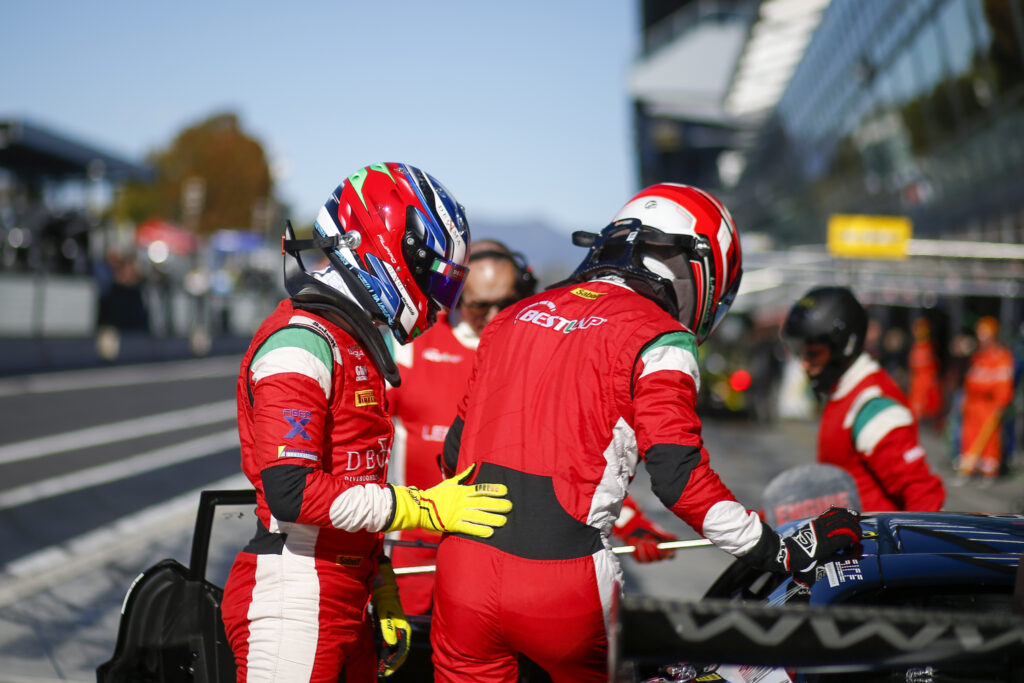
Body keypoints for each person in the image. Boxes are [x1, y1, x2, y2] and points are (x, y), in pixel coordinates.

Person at [430, 183, 862, 682]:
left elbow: (453, 454)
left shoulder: (510, 317)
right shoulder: (661, 337)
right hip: (562, 582)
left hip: (462, 572)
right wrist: (779, 550)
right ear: (699, 269)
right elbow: (680, 480)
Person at [219, 162, 512, 682]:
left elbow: (354, 480)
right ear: (388, 251)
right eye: (434, 277)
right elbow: (292, 492)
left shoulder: (351, 337)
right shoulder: (300, 342)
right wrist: (423, 508)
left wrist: (380, 580)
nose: (437, 300)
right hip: (295, 599)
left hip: (345, 590)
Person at [388, 240, 677, 616]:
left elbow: (572, 456)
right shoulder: (410, 346)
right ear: (456, 299)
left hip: (493, 563)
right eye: (479, 306)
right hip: (411, 561)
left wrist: (629, 521)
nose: (494, 316)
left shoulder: (543, 349)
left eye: (507, 303)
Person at [781, 286, 945, 512]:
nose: (805, 365)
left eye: (814, 354)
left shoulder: (872, 407)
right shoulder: (844, 391)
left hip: (870, 534)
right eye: (800, 352)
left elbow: (924, 493)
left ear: (844, 347)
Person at [956, 315, 1014, 484]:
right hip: (973, 404)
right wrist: (965, 398)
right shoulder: (978, 356)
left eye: (985, 335)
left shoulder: (1001, 356)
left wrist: (1002, 401)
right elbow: (970, 380)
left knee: (989, 439)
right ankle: (968, 469)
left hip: (989, 404)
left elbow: (1003, 382)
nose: (982, 339)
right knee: (969, 436)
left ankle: (988, 472)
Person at [907, 315, 943, 426]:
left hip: (926, 395)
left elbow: (930, 377)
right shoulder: (916, 347)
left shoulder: (930, 349)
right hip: (916, 392)